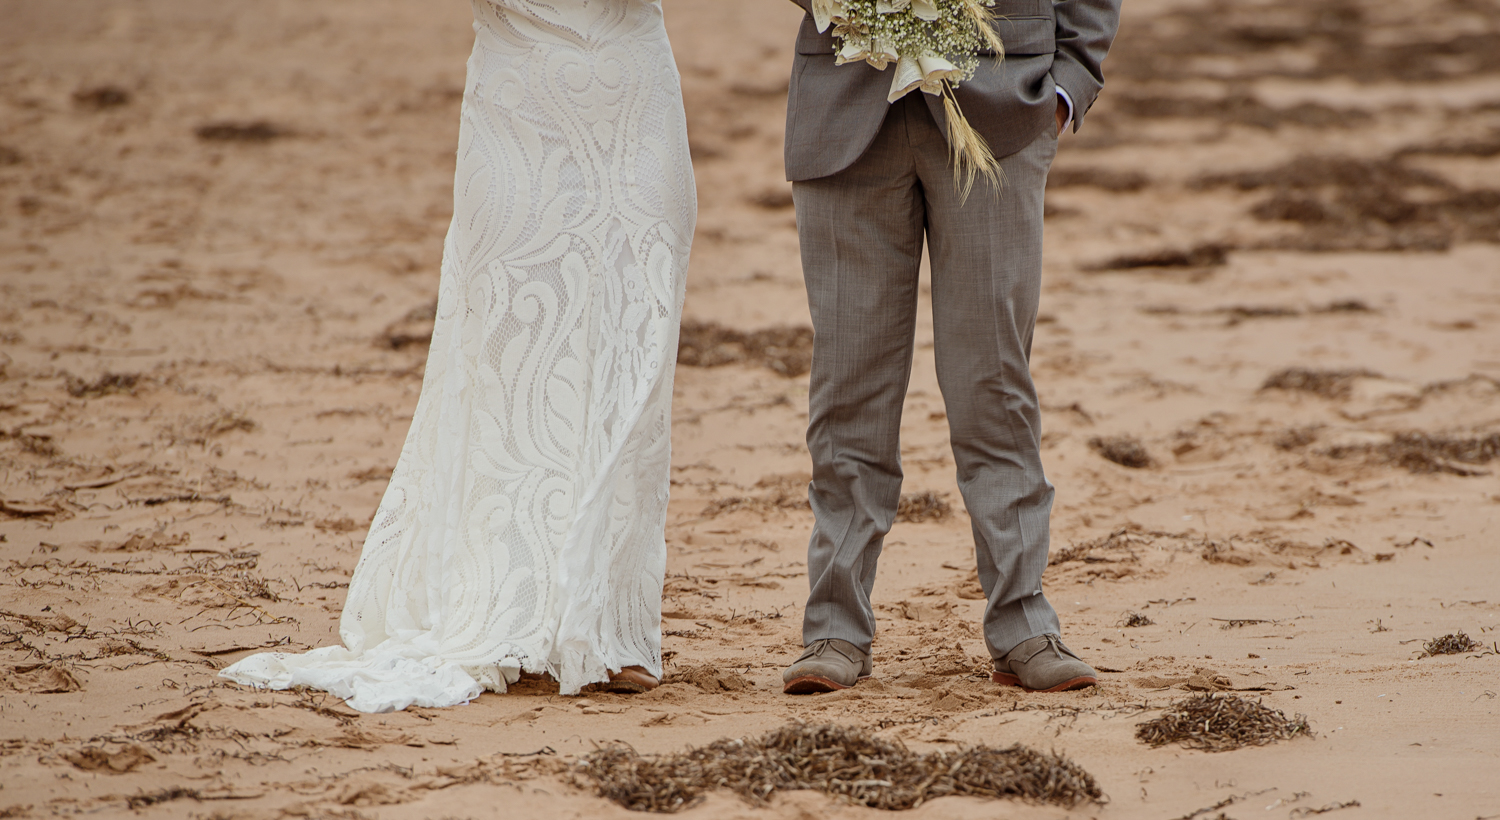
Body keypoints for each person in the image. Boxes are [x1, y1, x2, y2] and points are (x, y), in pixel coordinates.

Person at [222, 0, 695, 713]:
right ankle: (507, 607)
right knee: (510, 358)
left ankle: (609, 629)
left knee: (634, 345)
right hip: (519, 100)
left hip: (632, 89)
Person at [778, 0, 1121, 695]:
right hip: (847, 98)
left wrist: (1067, 86)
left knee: (991, 380)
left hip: (1003, 105)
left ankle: (1024, 622)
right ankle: (834, 628)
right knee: (847, 383)